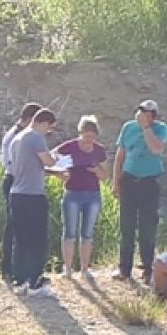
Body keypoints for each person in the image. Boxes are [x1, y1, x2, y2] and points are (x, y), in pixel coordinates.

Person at [112, 100, 167, 283]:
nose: (142, 115)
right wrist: (116, 181)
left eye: (147, 113)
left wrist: (146, 128)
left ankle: (148, 269)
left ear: (153, 115)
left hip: (149, 182)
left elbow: (156, 148)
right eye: (141, 111)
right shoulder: (128, 127)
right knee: (126, 226)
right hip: (129, 181)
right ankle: (124, 269)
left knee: (147, 228)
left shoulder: (160, 129)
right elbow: (120, 156)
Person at [9, 108, 59, 297]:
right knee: (37, 239)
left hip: (17, 193)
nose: (47, 132)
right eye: (49, 128)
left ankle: (20, 280)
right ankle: (35, 282)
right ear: (44, 123)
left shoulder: (17, 139)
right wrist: (57, 158)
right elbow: (48, 161)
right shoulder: (35, 137)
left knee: (20, 239)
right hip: (33, 195)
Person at [53, 115, 108, 278]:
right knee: (69, 232)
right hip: (72, 193)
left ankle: (85, 269)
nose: (88, 140)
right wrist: (61, 172)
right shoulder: (69, 146)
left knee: (88, 233)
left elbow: (105, 176)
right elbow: (52, 158)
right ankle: (68, 269)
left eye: (92, 137)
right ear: (80, 132)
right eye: (86, 136)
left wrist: (96, 170)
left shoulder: (99, 150)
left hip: (93, 194)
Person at [0, 103, 43, 279]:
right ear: (30, 119)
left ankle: (19, 268)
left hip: (18, 180)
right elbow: (15, 164)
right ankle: (10, 268)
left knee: (18, 227)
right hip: (15, 180)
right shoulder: (17, 137)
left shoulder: (19, 135)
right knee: (14, 227)